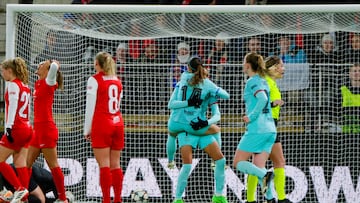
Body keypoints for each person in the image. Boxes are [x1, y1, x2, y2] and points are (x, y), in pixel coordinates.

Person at [169, 58, 228, 203]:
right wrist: (207, 122)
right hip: (194, 128)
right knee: (190, 164)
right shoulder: (207, 86)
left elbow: (216, 113)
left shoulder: (182, 81)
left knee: (218, 161)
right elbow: (225, 98)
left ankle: (218, 196)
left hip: (193, 128)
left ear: (188, 68)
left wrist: (205, 121)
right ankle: (179, 198)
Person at [245, 56, 291, 203]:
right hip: (262, 125)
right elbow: (257, 102)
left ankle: (281, 198)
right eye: (281, 65)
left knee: (279, 161)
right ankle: (251, 200)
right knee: (258, 164)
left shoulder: (272, 83)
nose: (284, 69)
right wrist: (272, 103)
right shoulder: (263, 81)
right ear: (274, 67)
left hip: (271, 125)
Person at [232, 52, 276, 199]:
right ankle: (270, 199)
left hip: (258, 129)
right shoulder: (264, 80)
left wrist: (251, 117)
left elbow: (262, 99)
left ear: (248, 65)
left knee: (238, 162)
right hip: (270, 129)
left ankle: (265, 175)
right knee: (258, 166)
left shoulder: (252, 81)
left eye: (244, 61)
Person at [83, 52, 124, 203]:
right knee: (116, 164)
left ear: (99, 65)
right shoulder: (118, 81)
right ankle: (118, 199)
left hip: (102, 123)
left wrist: (87, 130)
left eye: (95, 63)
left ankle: (106, 199)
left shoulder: (94, 80)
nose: (94, 66)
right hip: (118, 122)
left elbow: (90, 108)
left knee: (104, 165)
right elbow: (118, 103)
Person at [26, 60, 68, 203]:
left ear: (48, 70)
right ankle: (23, 194)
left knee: (53, 165)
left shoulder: (49, 81)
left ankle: (63, 199)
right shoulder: (38, 83)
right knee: (25, 165)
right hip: (37, 130)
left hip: (46, 129)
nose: (39, 64)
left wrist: (53, 63)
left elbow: (55, 66)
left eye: (42, 64)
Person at [0, 57, 32, 203]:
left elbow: (12, 106)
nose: (2, 74)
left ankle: (19, 189)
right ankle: (24, 199)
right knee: (20, 164)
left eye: (3, 71)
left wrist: (8, 126)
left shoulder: (13, 85)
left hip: (17, 127)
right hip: (27, 127)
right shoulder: (25, 86)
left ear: (10, 70)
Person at [0, 163, 75, 203]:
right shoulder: (50, 180)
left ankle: (7, 198)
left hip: (14, 172)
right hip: (21, 173)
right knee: (38, 200)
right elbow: (42, 199)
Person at [340, 63, 360, 134]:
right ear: (350, 74)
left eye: (359, 71)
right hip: (347, 133)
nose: (357, 73)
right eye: (354, 71)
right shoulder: (342, 90)